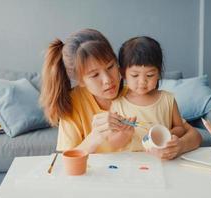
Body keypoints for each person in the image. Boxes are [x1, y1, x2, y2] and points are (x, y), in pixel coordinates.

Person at [40, 29, 201, 159]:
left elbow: (193, 134)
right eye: (95, 75)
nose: (108, 80)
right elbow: (64, 161)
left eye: (110, 67)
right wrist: (94, 137)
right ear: (80, 80)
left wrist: (180, 146)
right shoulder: (73, 104)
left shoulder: (136, 90)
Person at [111, 36, 187, 153]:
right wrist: (124, 134)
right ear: (123, 73)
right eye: (135, 75)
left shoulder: (167, 99)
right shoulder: (117, 104)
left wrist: (168, 135)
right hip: (130, 163)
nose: (142, 82)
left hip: (161, 159)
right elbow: (113, 144)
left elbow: (180, 128)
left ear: (159, 73)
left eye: (150, 75)